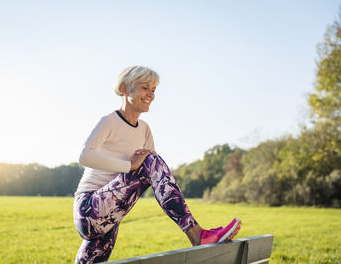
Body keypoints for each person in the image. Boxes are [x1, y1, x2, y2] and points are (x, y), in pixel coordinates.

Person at [73, 66, 241, 263]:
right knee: (152, 160)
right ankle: (197, 235)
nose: (151, 95)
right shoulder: (109, 121)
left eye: (154, 90)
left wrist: (138, 168)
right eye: (145, 88)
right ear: (124, 88)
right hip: (89, 209)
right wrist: (130, 166)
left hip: (112, 215)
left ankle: (199, 236)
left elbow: (157, 178)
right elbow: (85, 156)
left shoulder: (144, 130)